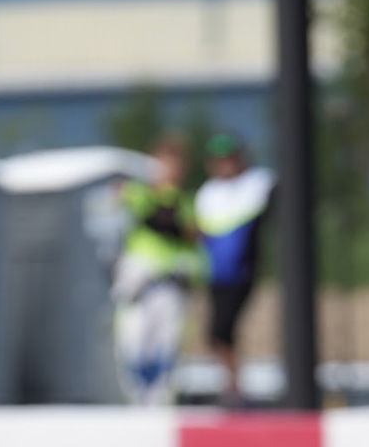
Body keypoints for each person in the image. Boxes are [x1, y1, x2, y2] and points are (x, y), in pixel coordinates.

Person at [113, 135, 204, 406]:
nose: (169, 171)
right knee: (133, 343)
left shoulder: (186, 202)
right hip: (139, 284)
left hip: (169, 283)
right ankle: (138, 399)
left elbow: (192, 235)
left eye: (174, 165)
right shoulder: (138, 193)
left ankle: (158, 399)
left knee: (166, 345)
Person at [194, 132, 273, 406]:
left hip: (242, 272)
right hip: (216, 274)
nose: (224, 164)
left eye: (229, 158)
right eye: (219, 159)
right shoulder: (208, 193)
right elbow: (201, 234)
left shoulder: (258, 184)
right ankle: (233, 386)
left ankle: (235, 388)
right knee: (218, 333)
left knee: (222, 330)